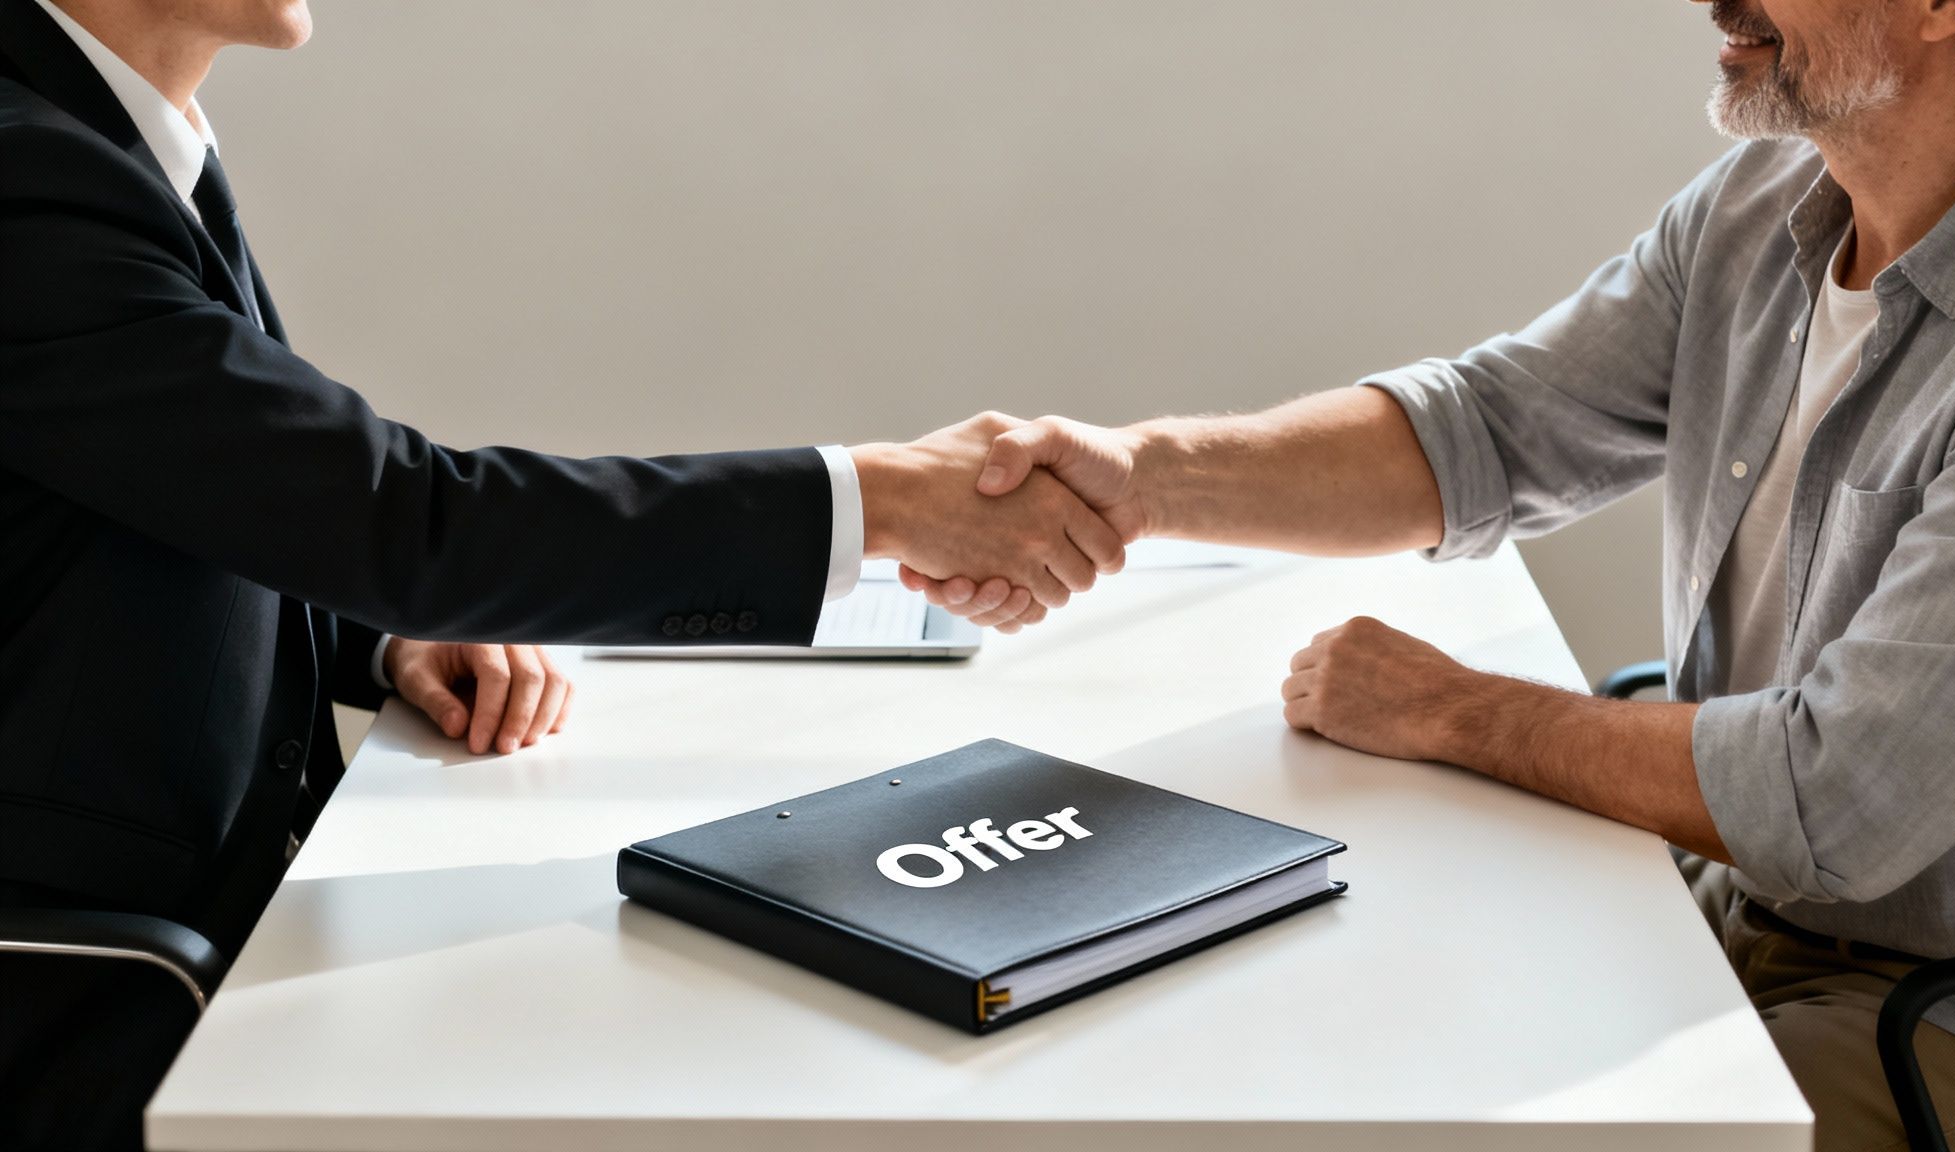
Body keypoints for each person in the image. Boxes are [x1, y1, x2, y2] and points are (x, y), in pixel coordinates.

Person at [908, 0, 1955, 1147]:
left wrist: (1452, 711)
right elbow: (1488, 430)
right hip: (1736, 899)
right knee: (1341, 1032)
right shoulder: (1759, 209)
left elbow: (1838, 801)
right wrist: (1143, 477)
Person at [0, 0, 1119, 1145]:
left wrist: (379, 630)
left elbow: (188, 487)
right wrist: (877, 500)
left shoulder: (111, 132)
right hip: (88, 982)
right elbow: (409, 522)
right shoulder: (28, 173)